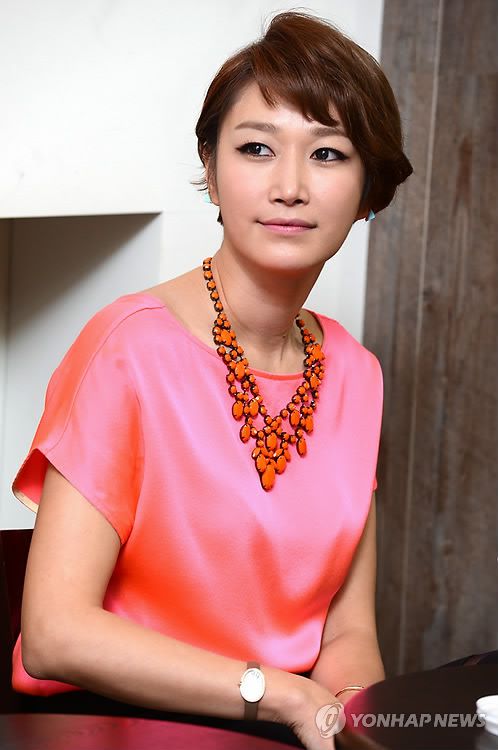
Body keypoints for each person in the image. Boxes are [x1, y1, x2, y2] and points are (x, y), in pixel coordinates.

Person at [10, 10, 412, 750]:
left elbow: (348, 634)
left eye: (328, 154)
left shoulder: (357, 373)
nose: (290, 186)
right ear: (212, 170)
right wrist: (282, 696)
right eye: (256, 148)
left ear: (369, 192)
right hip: (115, 728)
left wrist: (358, 726)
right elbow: (53, 634)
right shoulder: (129, 348)